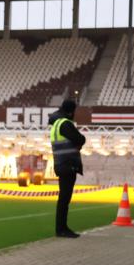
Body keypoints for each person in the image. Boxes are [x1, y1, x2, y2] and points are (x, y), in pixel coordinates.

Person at [47, 99, 86, 238]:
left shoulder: (56, 124)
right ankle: (61, 228)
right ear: (71, 111)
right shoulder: (65, 124)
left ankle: (61, 227)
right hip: (68, 164)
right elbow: (80, 139)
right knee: (64, 199)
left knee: (63, 198)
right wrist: (80, 141)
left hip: (60, 163)